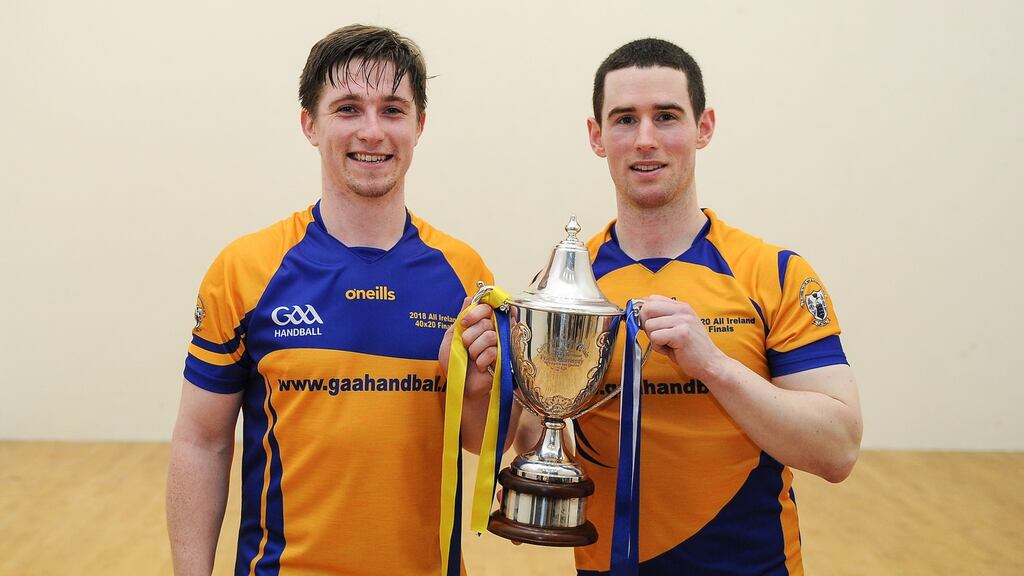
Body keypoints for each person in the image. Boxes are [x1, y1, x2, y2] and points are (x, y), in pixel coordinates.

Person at [465, 38, 863, 575]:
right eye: (625, 119)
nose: (646, 139)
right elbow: (536, 436)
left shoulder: (775, 273)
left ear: (704, 127)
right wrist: (494, 381)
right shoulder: (567, 285)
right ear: (597, 136)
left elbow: (837, 451)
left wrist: (714, 366)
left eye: (667, 116)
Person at [166, 24, 495, 576]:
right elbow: (201, 443)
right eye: (347, 109)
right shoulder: (246, 270)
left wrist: (477, 388)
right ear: (309, 125)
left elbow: (487, 443)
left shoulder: (466, 277)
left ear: (419, 125)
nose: (372, 131)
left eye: (393, 110)